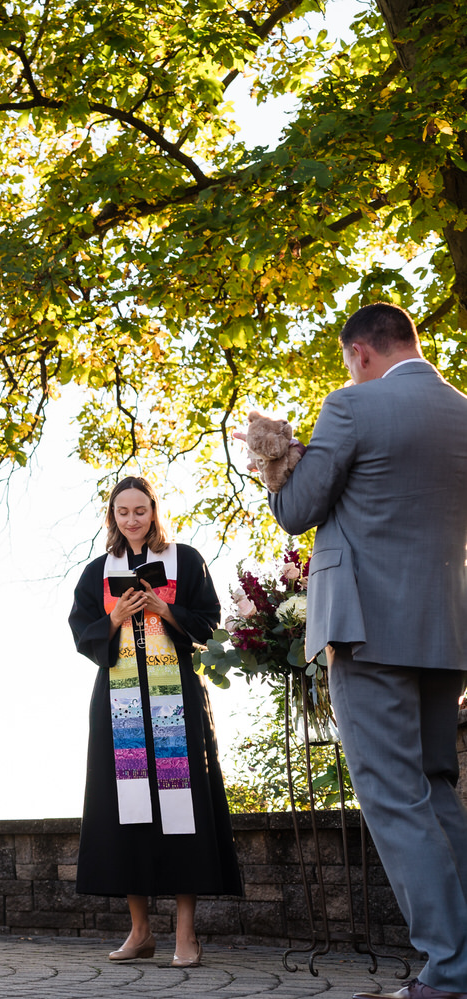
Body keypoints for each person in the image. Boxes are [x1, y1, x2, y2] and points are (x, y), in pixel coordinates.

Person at [263, 303, 467, 999]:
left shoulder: (352, 405)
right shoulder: (462, 412)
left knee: (394, 797)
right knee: (437, 789)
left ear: (361, 352)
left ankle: (449, 971)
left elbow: (297, 512)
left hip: (368, 630)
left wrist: (274, 458)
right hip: (443, 629)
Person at [67, 476, 242, 969]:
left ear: (154, 510)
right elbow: (81, 632)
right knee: (128, 810)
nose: (132, 519)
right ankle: (140, 932)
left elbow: (209, 621)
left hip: (176, 701)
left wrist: (167, 608)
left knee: (182, 810)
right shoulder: (99, 571)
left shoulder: (184, 560)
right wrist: (115, 617)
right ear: (113, 518)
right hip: (119, 703)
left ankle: (186, 935)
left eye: (139, 510)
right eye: (122, 512)